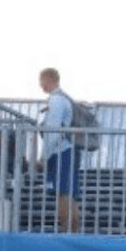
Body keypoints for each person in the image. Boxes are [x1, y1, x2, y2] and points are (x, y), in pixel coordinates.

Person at [38, 67, 82, 233]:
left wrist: (43, 156)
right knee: (68, 193)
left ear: (48, 80)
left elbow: (53, 130)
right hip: (67, 150)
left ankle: (67, 231)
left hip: (61, 151)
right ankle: (72, 231)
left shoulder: (56, 100)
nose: (40, 85)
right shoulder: (64, 99)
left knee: (62, 194)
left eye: (41, 81)